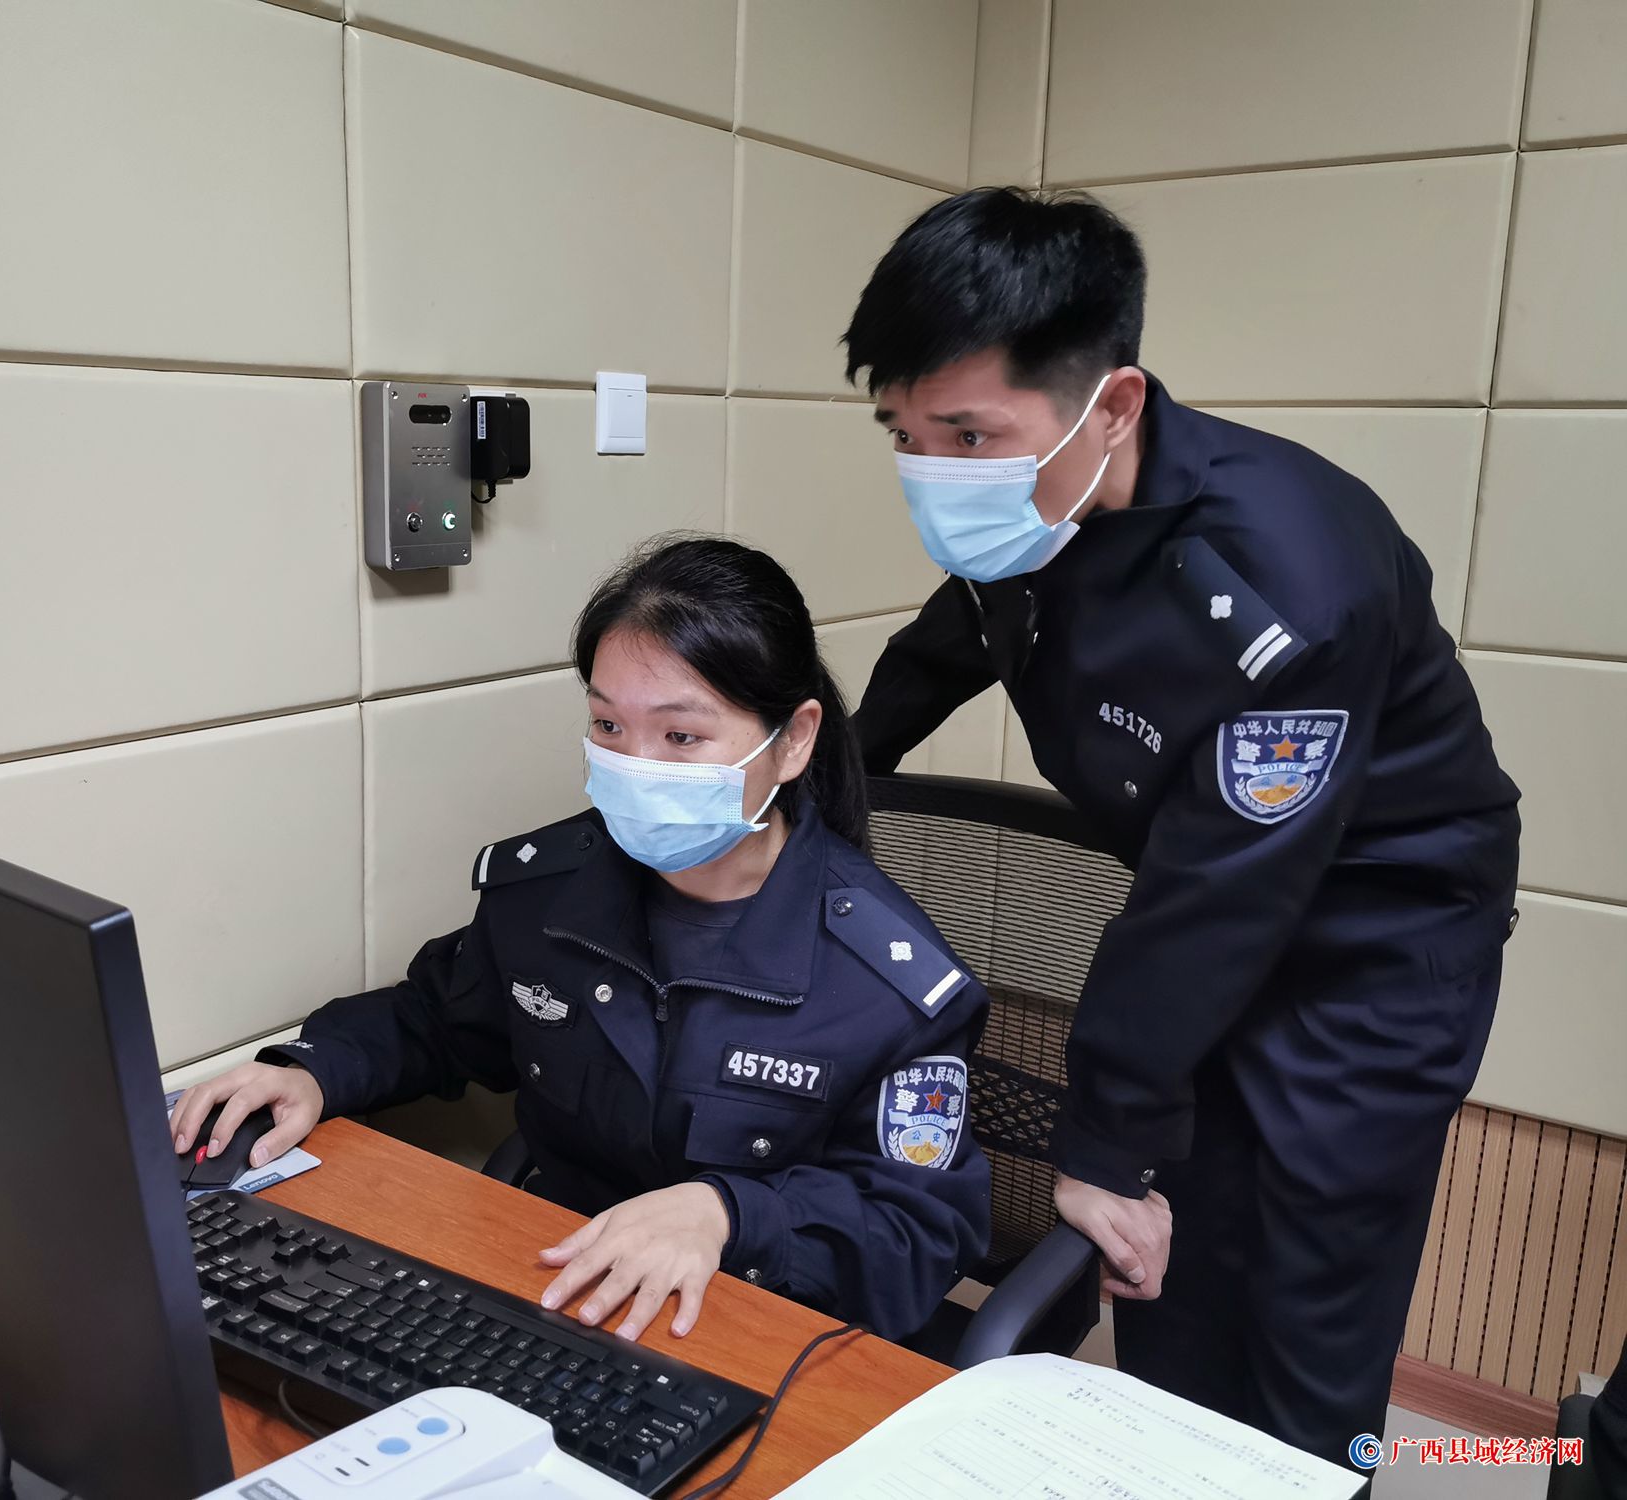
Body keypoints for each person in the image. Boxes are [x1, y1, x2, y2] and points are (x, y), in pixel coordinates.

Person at [842, 187, 1521, 1460]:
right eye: (904, 435)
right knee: (1157, 1273)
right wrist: (819, 789)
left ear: (1111, 403)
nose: (934, 473)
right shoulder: (1036, 502)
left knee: (1299, 1311)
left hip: (1365, 953)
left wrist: (1099, 1140)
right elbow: (947, 645)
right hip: (1199, 915)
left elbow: (1220, 898)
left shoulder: (1289, 576)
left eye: (967, 434)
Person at [170, 535, 991, 1344]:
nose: (635, 764)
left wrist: (731, 1215)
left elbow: (916, 1235)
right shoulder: (550, 891)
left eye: (681, 737)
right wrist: (313, 1071)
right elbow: (438, 1019)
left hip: (756, 1327)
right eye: (607, 723)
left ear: (794, 740)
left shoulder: (888, 983)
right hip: (560, 1294)